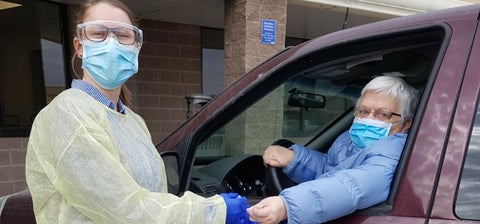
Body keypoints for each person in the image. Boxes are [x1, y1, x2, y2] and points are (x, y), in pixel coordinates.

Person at [25, 0, 251, 223]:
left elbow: (154, 200)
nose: (111, 43)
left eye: (123, 35)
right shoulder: (66, 115)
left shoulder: (133, 121)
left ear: (136, 45)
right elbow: (124, 209)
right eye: (98, 33)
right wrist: (213, 211)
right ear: (79, 46)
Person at [247, 76, 419, 224]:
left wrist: (287, 206)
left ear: (405, 124)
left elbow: (351, 187)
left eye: (383, 114)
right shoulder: (351, 139)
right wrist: (294, 159)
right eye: (364, 111)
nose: (369, 120)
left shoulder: (394, 151)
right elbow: (330, 169)